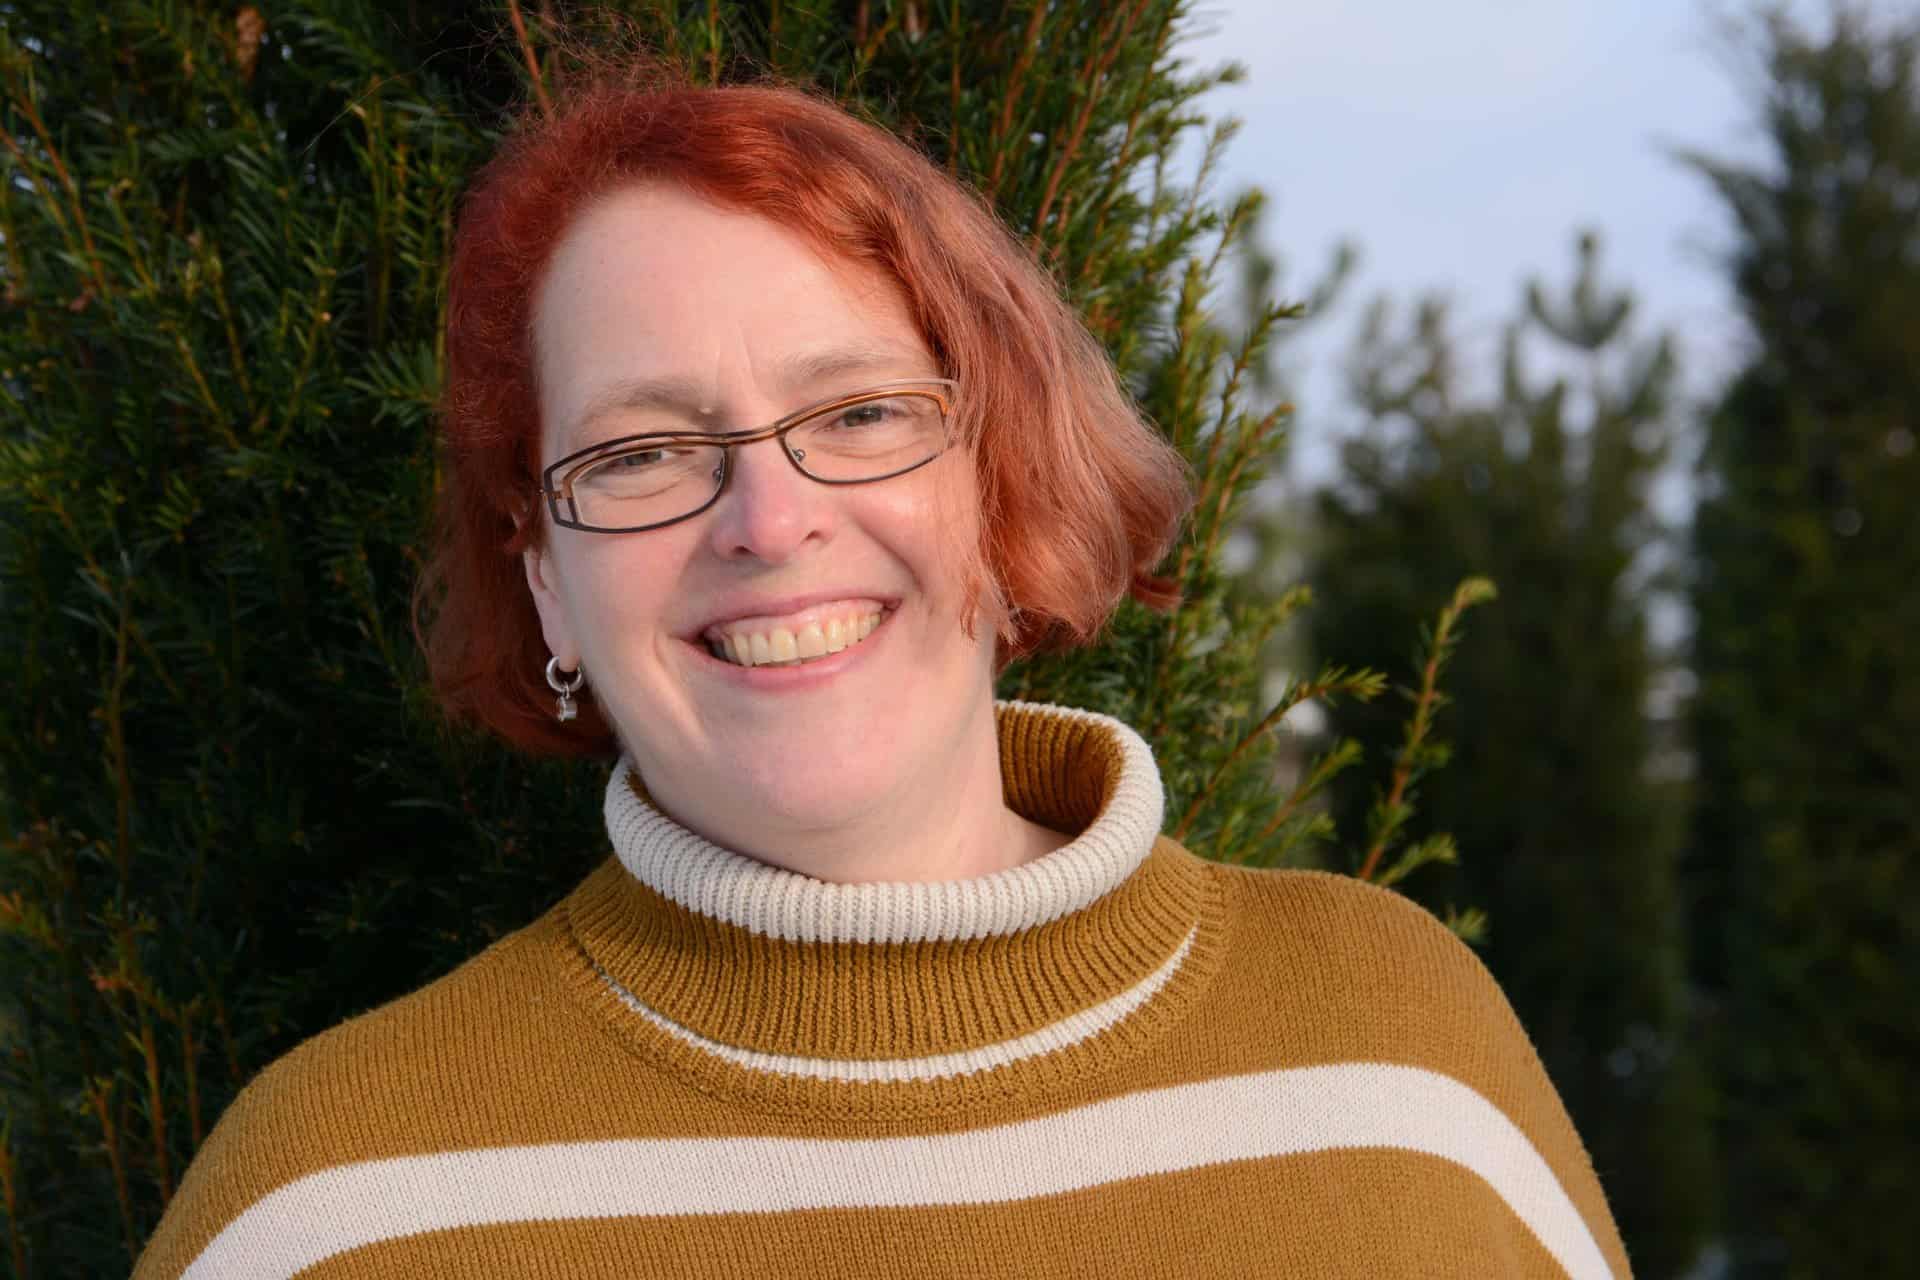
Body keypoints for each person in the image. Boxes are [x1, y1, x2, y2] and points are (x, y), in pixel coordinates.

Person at [134, 64, 1632, 1280]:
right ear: (545, 583)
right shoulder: (331, 1209)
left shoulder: (1402, 1061)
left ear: (1001, 477)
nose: (769, 520)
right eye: (644, 451)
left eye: (857, 414)